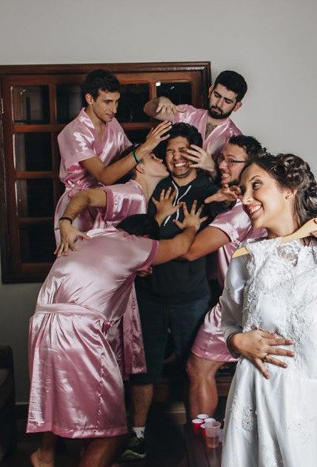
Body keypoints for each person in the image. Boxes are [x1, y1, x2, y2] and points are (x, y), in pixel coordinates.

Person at [220, 154, 317, 466]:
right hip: (259, 398)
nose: (246, 199)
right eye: (242, 191)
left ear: (289, 189)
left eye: (255, 185)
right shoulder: (246, 258)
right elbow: (228, 324)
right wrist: (237, 341)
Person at [26, 206, 207, 467]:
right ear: (145, 238)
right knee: (113, 427)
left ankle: (44, 455)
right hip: (78, 329)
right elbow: (180, 246)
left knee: (60, 398)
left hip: (43, 324)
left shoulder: (89, 237)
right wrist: (191, 226)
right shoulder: (131, 245)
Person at [123, 123, 227, 460]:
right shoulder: (155, 185)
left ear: (196, 153)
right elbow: (135, 235)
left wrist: (214, 172)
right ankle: (137, 437)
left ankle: (197, 438)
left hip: (191, 296)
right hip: (148, 295)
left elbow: (223, 226)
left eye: (183, 150)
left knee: (192, 369)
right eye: (169, 151)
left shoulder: (210, 190)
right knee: (142, 369)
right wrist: (148, 241)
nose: (175, 157)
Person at [182, 135, 267, 418]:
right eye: (221, 159)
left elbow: (192, 251)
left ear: (250, 167)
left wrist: (189, 227)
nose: (221, 165)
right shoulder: (252, 201)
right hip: (254, 299)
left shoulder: (240, 212)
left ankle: (203, 438)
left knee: (198, 368)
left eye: (232, 161)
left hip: (237, 303)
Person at [54, 68, 171, 240]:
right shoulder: (75, 132)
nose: (114, 109)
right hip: (79, 209)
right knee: (81, 254)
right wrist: (144, 148)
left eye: (117, 102)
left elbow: (130, 157)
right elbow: (104, 176)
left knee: (115, 252)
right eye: (108, 102)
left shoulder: (112, 123)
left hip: (110, 202)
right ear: (90, 99)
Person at [54, 141, 177, 257]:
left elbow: (131, 238)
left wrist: (160, 216)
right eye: (153, 157)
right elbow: (84, 195)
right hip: (95, 263)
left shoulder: (137, 196)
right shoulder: (130, 193)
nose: (161, 160)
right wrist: (65, 222)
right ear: (140, 167)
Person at [143, 70, 247, 179]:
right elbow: (148, 110)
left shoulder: (235, 137)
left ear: (237, 106)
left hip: (208, 188)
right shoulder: (187, 113)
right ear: (210, 91)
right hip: (173, 182)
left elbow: (233, 179)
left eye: (227, 101)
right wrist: (161, 100)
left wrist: (212, 168)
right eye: (217, 95)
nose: (219, 104)